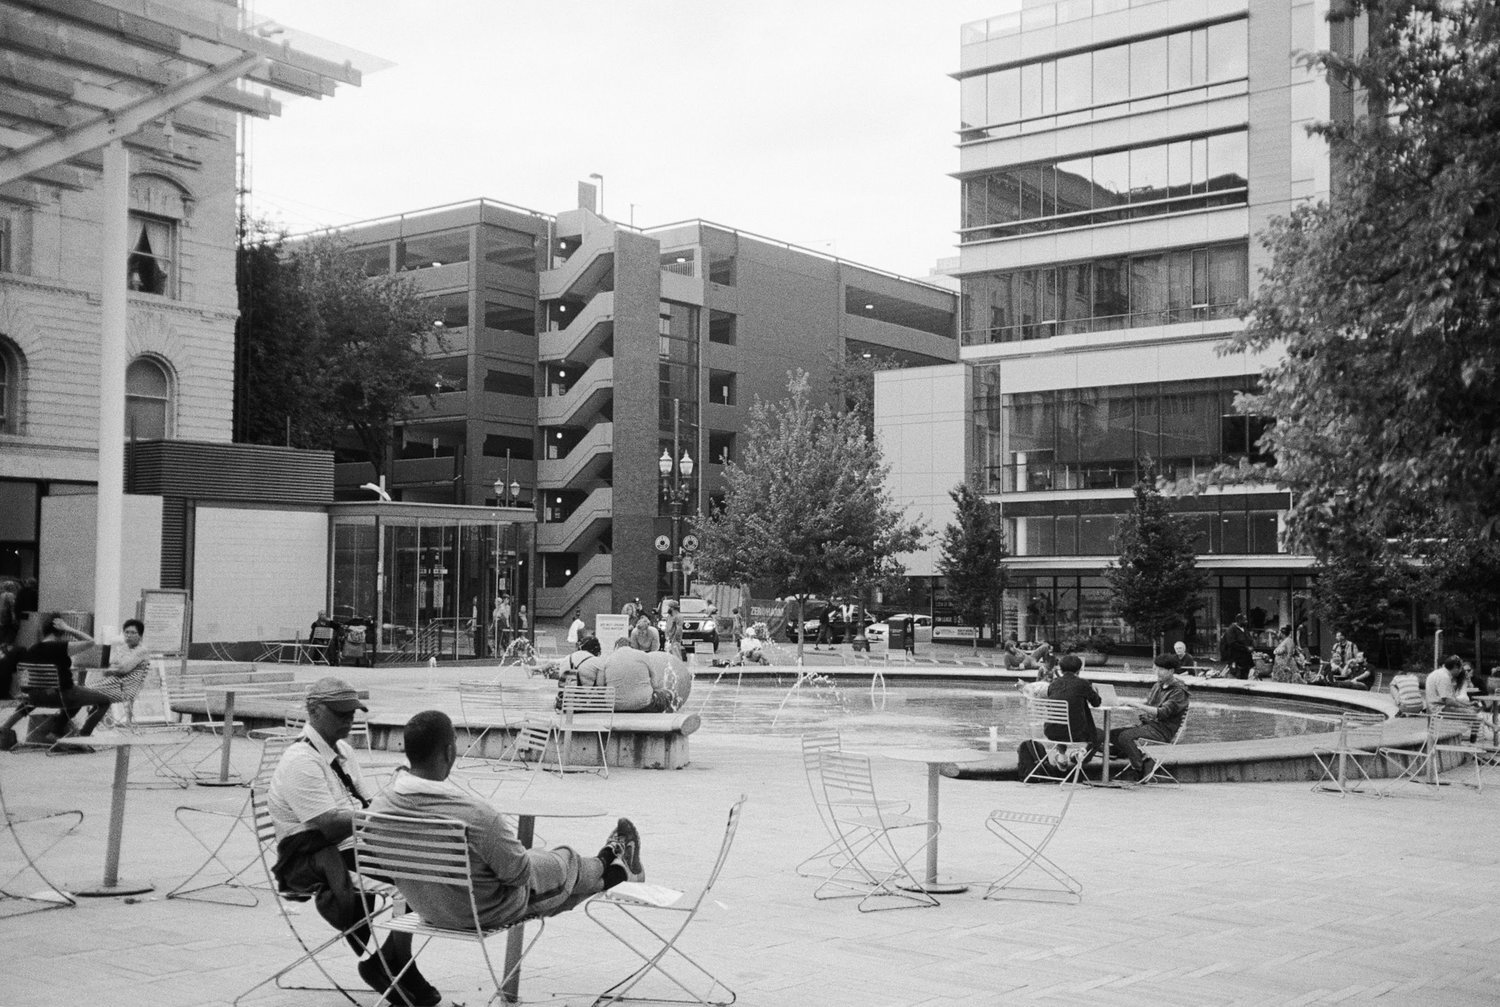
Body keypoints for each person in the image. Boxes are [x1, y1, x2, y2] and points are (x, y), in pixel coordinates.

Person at [370, 710, 641, 938]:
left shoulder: (379, 808)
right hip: (484, 911)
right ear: (450, 751)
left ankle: (614, 870)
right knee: (565, 864)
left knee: (552, 874)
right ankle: (612, 862)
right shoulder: (474, 815)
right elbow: (519, 874)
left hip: (427, 907)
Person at [267, 677, 440, 1007]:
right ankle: (394, 963)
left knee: (430, 862)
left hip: (346, 844)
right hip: (315, 854)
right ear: (314, 711)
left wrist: (397, 802)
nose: (349, 719)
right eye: (341, 713)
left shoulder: (342, 751)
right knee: (416, 877)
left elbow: (360, 804)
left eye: (353, 712)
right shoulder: (301, 761)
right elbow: (328, 826)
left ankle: (392, 959)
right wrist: (387, 814)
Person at [0, 614, 116, 748]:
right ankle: (82, 737)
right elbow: (90, 641)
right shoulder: (62, 647)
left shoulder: (32, 649)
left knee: (59, 695)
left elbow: (25, 679)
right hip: (63, 696)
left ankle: (7, 726)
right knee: (104, 700)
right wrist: (69, 628)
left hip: (36, 698)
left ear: (44, 632)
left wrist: (29, 692)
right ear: (61, 633)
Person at [1109, 653, 1190, 782]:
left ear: (1171, 671)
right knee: (1112, 734)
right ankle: (1143, 759)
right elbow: (1149, 705)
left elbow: (1162, 713)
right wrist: (1126, 703)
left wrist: (1136, 704)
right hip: (1149, 725)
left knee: (1125, 736)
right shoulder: (1158, 685)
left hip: (1163, 730)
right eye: (1156, 668)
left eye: (1161, 670)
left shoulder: (1179, 691)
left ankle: (1139, 769)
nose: (1157, 672)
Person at [77, 618, 153, 736]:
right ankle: (83, 731)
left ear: (140, 635)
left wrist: (117, 667)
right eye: (126, 632)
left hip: (125, 687)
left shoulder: (141, 651)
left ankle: (76, 730)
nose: (129, 635)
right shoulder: (124, 648)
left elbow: (123, 668)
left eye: (133, 633)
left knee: (83, 692)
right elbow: (111, 666)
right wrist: (117, 667)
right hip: (114, 683)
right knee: (85, 693)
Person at [1045, 654, 1100, 768]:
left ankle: (1061, 755)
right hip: (1075, 734)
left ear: (1061, 669)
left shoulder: (1053, 684)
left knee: (1064, 720)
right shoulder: (1083, 684)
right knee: (1101, 735)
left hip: (1051, 731)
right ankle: (1080, 754)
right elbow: (1096, 703)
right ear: (1079, 670)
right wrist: (1095, 692)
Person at [1221, 613, 1254, 679]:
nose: (1246, 622)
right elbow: (1232, 643)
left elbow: (1249, 639)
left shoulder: (1244, 629)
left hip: (1245, 659)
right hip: (1235, 658)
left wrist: (1251, 646)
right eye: (1245, 620)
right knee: (1236, 676)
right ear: (1239, 620)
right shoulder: (1231, 630)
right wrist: (1245, 648)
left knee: (1245, 675)